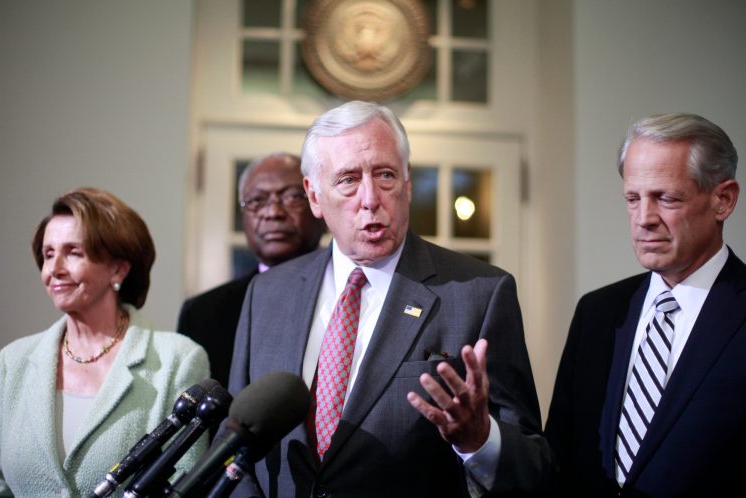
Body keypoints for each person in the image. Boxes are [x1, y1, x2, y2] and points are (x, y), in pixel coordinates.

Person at [225, 101, 551, 497]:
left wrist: (479, 439)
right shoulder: (267, 293)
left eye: (385, 175)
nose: (370, 198)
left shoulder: (479, 293)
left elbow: (532, 469)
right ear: (314, 195)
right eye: (348, 179)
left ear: (408, 184)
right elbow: (233, 452)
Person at [545, 113, 743, 497]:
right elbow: (560, 456)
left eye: (666, 198)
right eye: (633, 199)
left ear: (723, 200)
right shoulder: (597, 314)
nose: (644, 219)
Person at [0, 187, 211, 496]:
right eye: (48, 254)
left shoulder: (178, 359)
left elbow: (185, 485)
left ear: (119, 268)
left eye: (73, 252)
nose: (55, 270)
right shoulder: (14, 360)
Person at [177, 152, 325, 388]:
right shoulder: (202, 313)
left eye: (293, 197)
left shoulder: (350, 294)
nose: (273, 212)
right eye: (257, 200)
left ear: (319, 204)